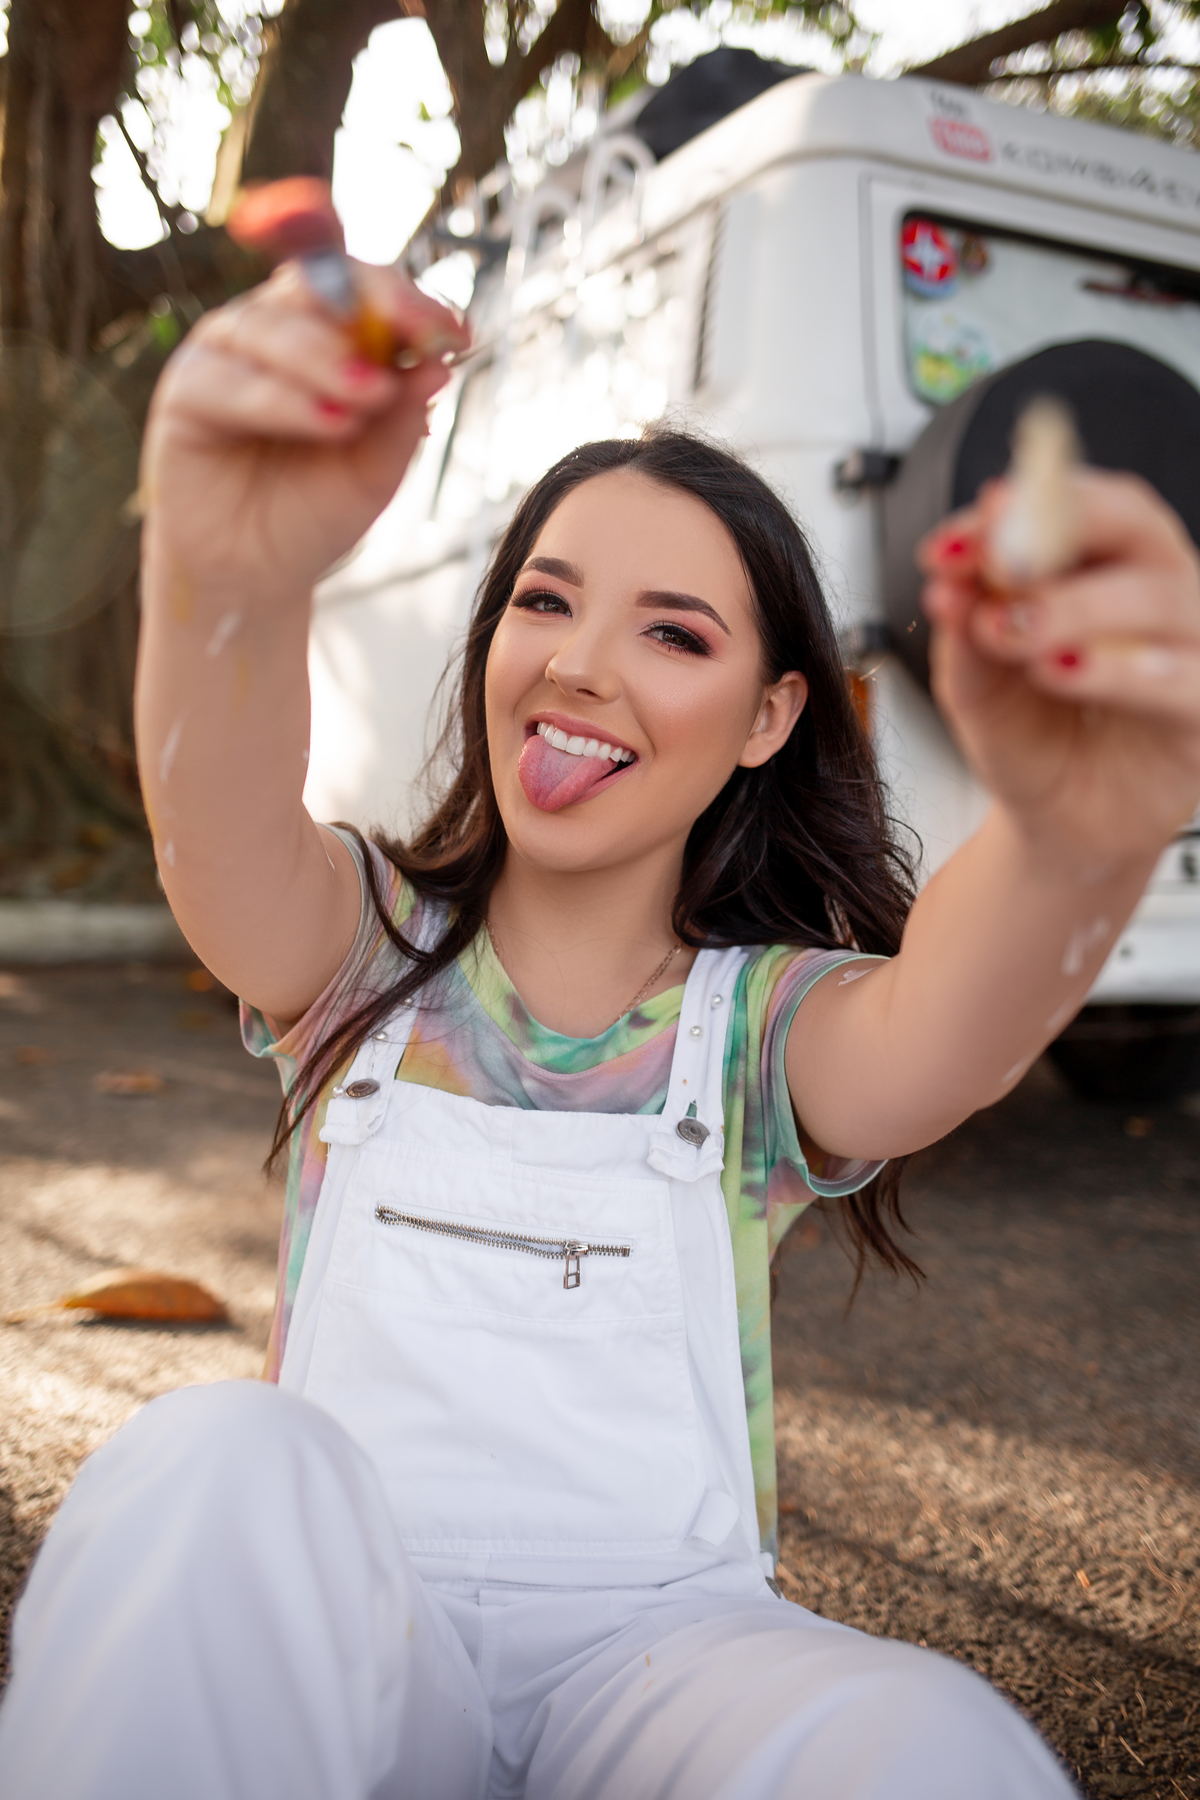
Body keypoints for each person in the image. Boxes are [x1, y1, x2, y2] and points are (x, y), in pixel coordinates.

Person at [2, 253, 1198, 1800]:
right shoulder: (360, 952)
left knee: (923, 1740)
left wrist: (1077, 838)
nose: (576, 661)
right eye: (543, 601)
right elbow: (217, 838)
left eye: (676, 636)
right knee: (209, 1460)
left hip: (661, 1676)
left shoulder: (762, 1030)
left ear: (772, 716)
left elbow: (939, 1036)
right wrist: (229, 580)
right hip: (350, 1668)